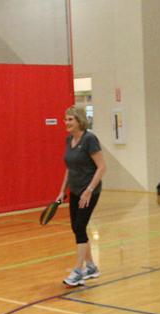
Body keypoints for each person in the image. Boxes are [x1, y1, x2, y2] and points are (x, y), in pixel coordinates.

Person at [55, 106, 107, 287]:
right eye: (65, 119)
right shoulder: (69, 139)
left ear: (79, 120)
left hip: (89, 191)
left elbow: (101, 167)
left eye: (70, 119)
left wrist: (89, 189)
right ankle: (91, 267)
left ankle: (78, 271)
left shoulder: (90, 139)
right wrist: (62, 190)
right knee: (76, 227)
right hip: (75, 190)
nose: (67, 123)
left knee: (79, 226)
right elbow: (70, 168)